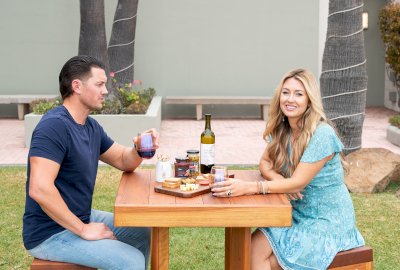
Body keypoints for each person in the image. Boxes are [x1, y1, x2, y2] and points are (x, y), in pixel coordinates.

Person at [211, 68, 365, 269]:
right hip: (293, 213)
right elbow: (264, 163)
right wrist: (280, 181)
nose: (290, 99)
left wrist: (251, 187)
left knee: (260, 260)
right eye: (286, 92)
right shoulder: (284, 129)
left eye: (298, 94)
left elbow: (298, 183)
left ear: (309, 100)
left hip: (325, 222)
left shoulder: (322, 134)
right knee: (247, 250)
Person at [23, 55, 159, 270]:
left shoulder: (90, 126)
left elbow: (124, 160)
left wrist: (138, 148)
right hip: (49, 232)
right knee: (130, 261)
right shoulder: (53, 126)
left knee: (140, 230)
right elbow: (40, 188)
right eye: (100, 84)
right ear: (77, 86)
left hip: (81, 216)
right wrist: (83, 229)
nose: (105, 90)